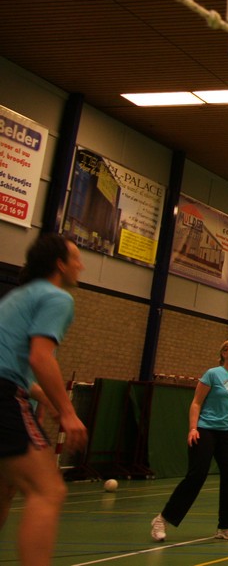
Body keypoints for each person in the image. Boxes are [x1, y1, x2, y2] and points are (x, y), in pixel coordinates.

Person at [0, 233, 87, 566]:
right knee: (48, 490)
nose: (81, 266)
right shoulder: (56, 297)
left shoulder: (19, 296)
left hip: (8, 385)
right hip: (4, 396)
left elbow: (15, 363)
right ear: (60, 264)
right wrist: (67, 411)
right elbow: (40, 357)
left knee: (5, 487)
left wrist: (46, 400)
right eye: (76, 259)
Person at [150, 338, 228, 543]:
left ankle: (225, 527)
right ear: (224, 353)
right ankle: (162, 519)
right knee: (196, 476)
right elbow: (196, 403)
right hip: (206, 430)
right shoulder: (212, 374)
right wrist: (193, 428)